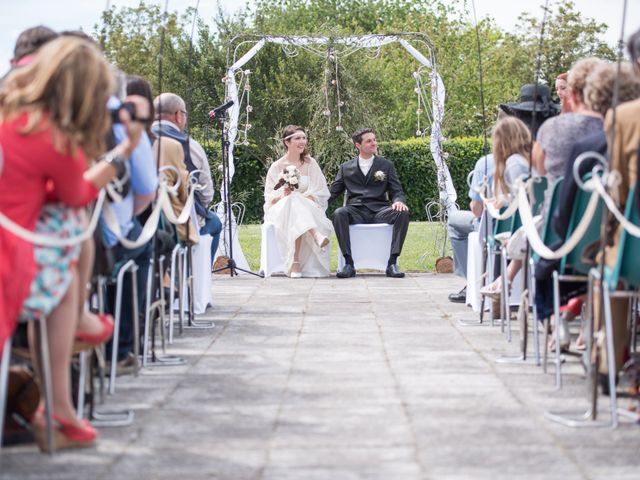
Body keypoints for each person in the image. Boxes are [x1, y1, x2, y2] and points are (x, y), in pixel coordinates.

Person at [0, 36, 147, 451]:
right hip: (10, 257)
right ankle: (60, 409)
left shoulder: (10, 113)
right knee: (72, 227)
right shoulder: (49, 134)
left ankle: (60, 408)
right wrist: (125, 148)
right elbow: (76, 193)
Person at [151, 93, 221, 267]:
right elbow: (207, 192)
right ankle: (199, 274)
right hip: (181, 219)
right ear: (178, 115)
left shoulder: (138, 138)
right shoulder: (191, 146)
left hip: (144, 216)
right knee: (215, 223)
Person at [330, 128, 409, 278]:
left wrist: (398, 201)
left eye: (374, 139)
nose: (374, 143)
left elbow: (396, 190)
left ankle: (392, 263)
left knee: (402, 212)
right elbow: (333, 192)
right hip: (356, 211)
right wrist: (315, 201)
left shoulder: (386, 165)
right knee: (339, 213)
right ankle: (348, 264)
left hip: (380, 211)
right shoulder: (345, 168)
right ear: (358, 145)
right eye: (369, 141)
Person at [263, 125, 333, 277]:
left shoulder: (310, 163)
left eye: (304, 138)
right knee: (292, 199)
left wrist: (304, 197)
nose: (302, 141)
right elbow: (269, 197)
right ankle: (316, 235)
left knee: (296, 201)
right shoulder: (277, 166)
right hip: (281, 210)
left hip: (308, 207)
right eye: (297, 138)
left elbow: (321, 191)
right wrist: (284, 195)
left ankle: (296, 264)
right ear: (287, 142)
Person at [478, 116, 533, 297]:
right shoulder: (527, 160)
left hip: (524, 225)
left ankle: (502, 281)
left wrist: (503, 201)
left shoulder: (513, 164)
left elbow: (522, 197)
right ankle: (503, 280)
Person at [447, 153, 494, 303]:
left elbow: (477, 210)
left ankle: (473, 283)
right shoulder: (536, 159)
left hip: (492, 227)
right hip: (528, 230)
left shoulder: (487, 163)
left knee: (454, 221)